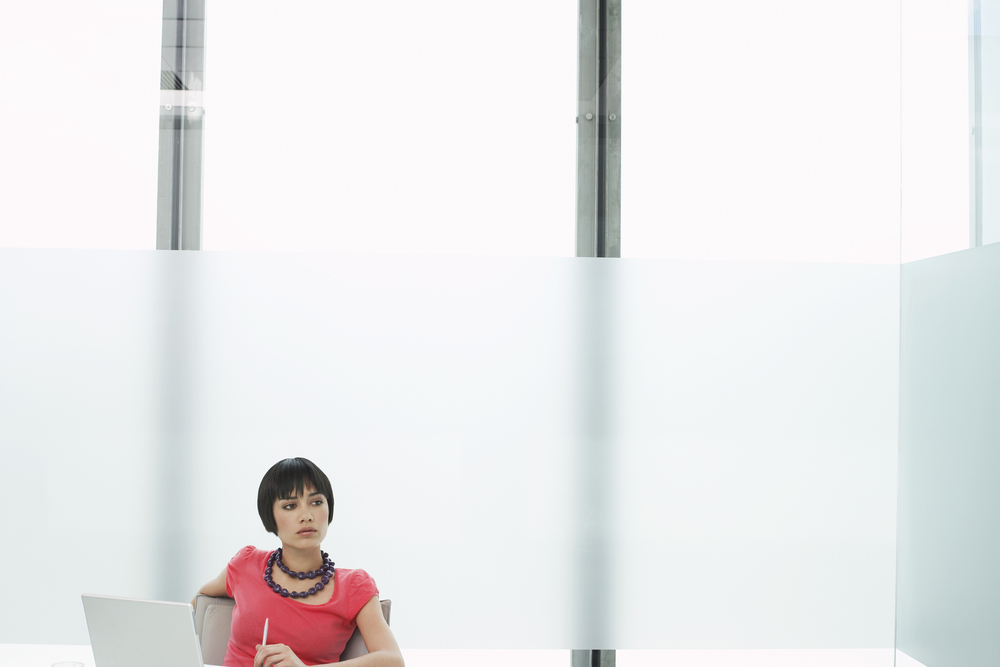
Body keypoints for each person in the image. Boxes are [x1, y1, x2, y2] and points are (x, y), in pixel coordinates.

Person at [192, 457, 404, 667]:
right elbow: (194, 606)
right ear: (270, 515)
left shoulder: (354, 586)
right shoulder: (246, 564)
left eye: (317, 502)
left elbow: (392, 660)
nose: (307, 515)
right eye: (290, 506)